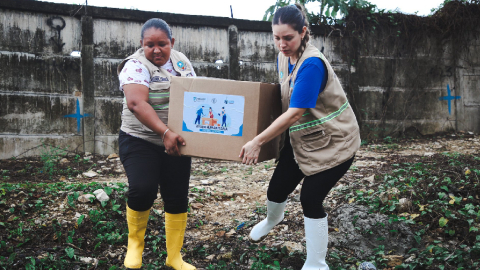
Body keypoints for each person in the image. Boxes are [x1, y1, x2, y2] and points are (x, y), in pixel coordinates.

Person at [239, 4, 360, 270]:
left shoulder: (312, 65)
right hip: (304, 139)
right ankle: (273, 220)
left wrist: (258, 141)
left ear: (303, 32)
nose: (281, 44)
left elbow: (295, 112)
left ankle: (317, 263)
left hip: (335, 142)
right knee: (276, 190)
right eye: (276, 38)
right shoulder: (286, 56)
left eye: (288, 38)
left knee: (310, 198)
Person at [117, 18, 196, 270]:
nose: (156, 50)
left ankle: (174, 257)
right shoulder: (135, 66)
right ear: (142, 45)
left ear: (172, 43)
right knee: (143, 189)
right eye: (150, 45)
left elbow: (196, 94)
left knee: (176, 197)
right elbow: (137, 104)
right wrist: (165, 133)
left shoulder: (181, 62)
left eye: (162, 44)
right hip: (140, 140)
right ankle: (134, 246)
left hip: (176, 142)